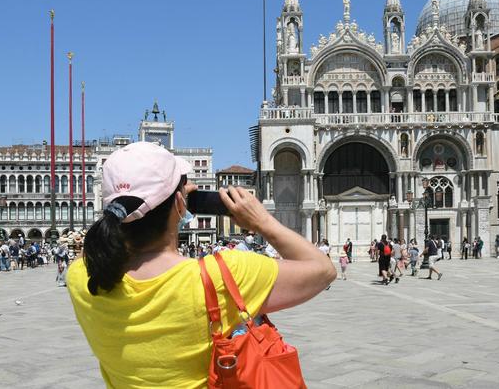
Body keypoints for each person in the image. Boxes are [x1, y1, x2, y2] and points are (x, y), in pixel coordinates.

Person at [67, 141, 335, 388]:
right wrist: (261, 221)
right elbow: (323, 270)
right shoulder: (222, 274)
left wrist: (175, 199)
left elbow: (111, 240)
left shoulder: (82, 275)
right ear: (180, 203)